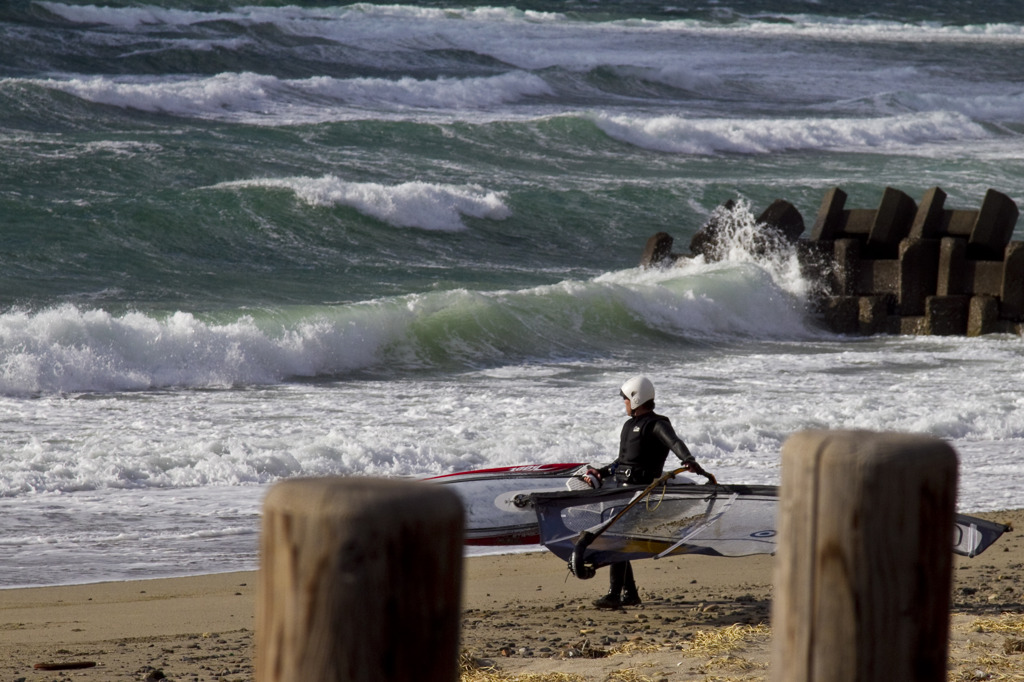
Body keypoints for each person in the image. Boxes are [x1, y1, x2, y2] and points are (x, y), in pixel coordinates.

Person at [581, 375, 706, 609]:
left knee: (617, 538)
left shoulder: (657, 423)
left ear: (636, 399)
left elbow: (675, 442)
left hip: (641, 493)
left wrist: (688, 459)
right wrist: (601, 472)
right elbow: (621, 461)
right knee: (618, 538)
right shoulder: (629, 425)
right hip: (620, 490)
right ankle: (629, 594)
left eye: (625, 400)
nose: (624, 404)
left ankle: (614, 594)